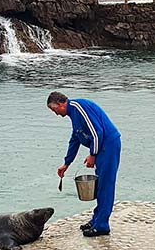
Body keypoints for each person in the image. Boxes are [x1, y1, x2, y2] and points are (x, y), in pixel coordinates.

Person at [47, 91, 121, 237]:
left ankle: (101, 226)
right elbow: (75, 138)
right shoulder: (73, 115)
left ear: (61, 104)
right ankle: (96, 220)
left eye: (54, 110)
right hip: (102, 147)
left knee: (105, 185)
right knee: (100, 185)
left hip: (108, 145)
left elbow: (96, 132)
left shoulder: (78, 107)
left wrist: (93, 154)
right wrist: (66, 164)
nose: (56, 114)